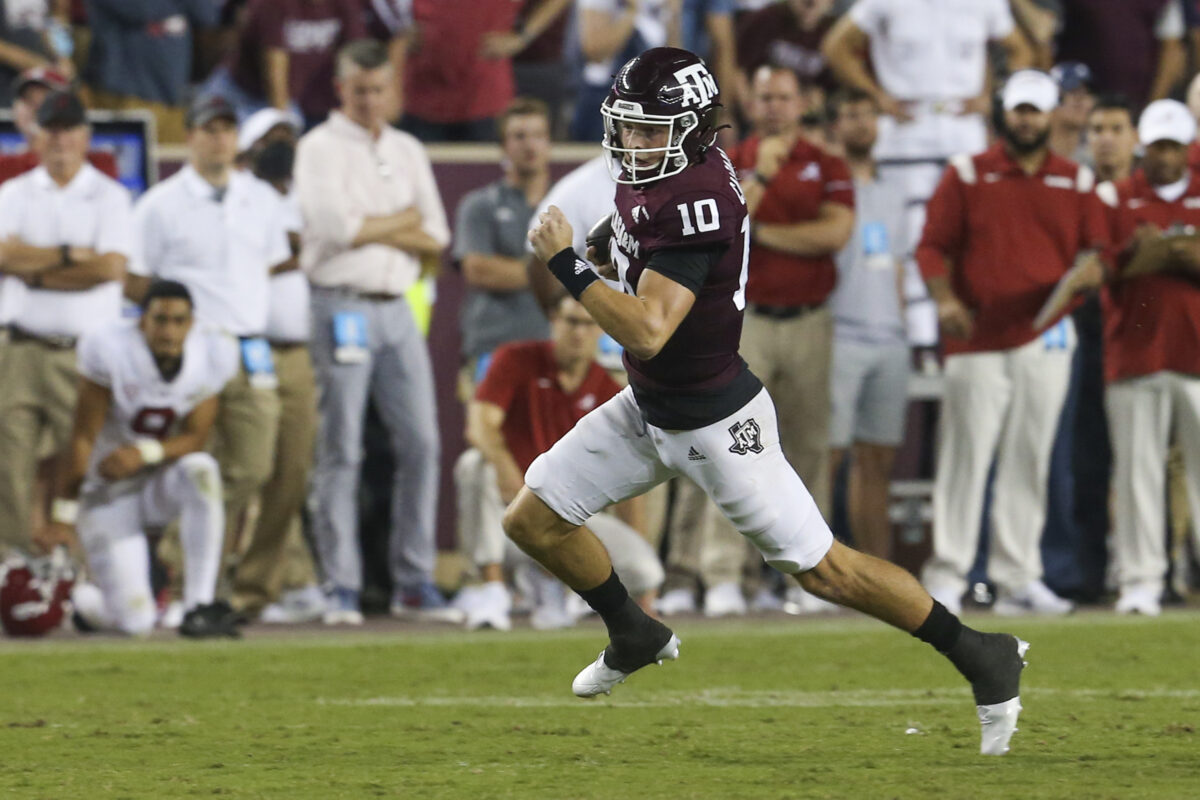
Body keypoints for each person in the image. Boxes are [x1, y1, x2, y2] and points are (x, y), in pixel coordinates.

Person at [516, 46, 1030, 757]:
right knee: (534, 519)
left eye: (648, 129)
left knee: (826, 569)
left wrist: (569, 263)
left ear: (693, 128)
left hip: (716, 420)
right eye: (625, 126)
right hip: (650, 406)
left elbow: (650, 329)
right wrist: (613, 247)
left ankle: (981, 653)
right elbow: (646, 249)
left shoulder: (695, 195)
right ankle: (633, 630)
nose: (632, 143)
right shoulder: (663, 171)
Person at [916, 70, 1109, 617]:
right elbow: (931, 248)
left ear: (1051, 116)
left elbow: (1098, 249)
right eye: (1019, 109)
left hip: (1046, 337)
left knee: (1031, 457)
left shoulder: (1077, 180)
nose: (1027, 119)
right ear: (1005, 111)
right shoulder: (968, 173)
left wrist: (1094, 270)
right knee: (964, 459)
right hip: (976, 338)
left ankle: (1018, 575)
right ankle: (949, 574)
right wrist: (945, 300)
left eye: (1036, 110)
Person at [295, 39, 454, 625]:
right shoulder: (317, 148)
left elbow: (436, 235)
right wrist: (402, 222)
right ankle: (339, 584)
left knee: (422, 445)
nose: (369, 100)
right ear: (341, 89)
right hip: (341, 305)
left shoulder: (408, 147)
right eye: (359, 90)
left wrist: (375, 229)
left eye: (378, 89)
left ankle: (414, 581)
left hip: (397, 307)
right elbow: (336, 229)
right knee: (341, 448)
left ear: (392, 88)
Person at [128, 95, 293, 606]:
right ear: (191, 135)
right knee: (191, 461)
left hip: (248, 348)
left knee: (252, 465)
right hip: (192, 349)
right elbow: (136, 281)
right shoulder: (160, 202)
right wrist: (171, 334)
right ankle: (192, 587)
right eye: (209, 129)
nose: (219, 138)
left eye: (227, 130)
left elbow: (263, 267)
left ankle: (182, 557)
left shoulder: (261, 199)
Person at [34, 281, 241, 637]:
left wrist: (145, 452)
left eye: (179, 321)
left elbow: (196, 438)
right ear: (141, 320)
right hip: (108, 489)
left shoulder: (214, 348)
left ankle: (199, 606)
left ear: (192, 323)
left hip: (156, 482)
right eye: (160, 320)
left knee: (202, 470)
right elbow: (83, 437)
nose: (169, 331)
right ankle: (86, 603)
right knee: (137, 622)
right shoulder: (109, 346)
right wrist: (63, 516)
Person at [822, 0, 1030, 348]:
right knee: (908, 241)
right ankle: (914, 343)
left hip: (963, 130)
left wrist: (994, 97)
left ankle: (962, 338)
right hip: (905, 132)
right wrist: (878, 97)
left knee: (970, 237)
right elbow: (836, 45)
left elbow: (1020, 48)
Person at [455, 294, 664, 631]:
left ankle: (553, 586)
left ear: (600, 331)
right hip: (508, 520)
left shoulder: (608, 390)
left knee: (646, 572)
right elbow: (479, 427)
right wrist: (509, 473)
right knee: (475, 464)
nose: (579, 333)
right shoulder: (515, 359)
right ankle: (492, 589)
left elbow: (631, 480)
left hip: (568, 522)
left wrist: (641, 556)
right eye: (571, 322)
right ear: (553, 320)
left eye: (589, 324)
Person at [0, 90, 132, 552]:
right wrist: (65, 255)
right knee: (8, 464)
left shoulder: (110, 196)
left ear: (86, 136)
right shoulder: (13, 193)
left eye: (69, 129)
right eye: (52, 129)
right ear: (38, 136)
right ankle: (10, 571)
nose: (60, 139)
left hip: (85, 353)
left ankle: (86, 571)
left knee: (84, 464)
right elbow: (1, 255)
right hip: (19, 348)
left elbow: (110, 269)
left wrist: (32, 272)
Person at [730, 63, 854, 523]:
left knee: (807, 445)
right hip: (747, 323)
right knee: (734, 444)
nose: (775, 108)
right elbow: (728, 232)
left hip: (809, 321)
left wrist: (761, 234)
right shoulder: (728, 160)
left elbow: (834, 234)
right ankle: (726, 571)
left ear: (803, 104)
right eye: (765, 98)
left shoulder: (827, 164)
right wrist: (760, 176)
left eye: (784, 98)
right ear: (750, 104)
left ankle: (811, 567)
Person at [1100, 99, 1200, 617]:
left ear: (1188, 149)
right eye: (1156, 146)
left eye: (1173, 146)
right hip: (1136, 352)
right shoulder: (1116, 197)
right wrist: (1144, 254)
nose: (1163, 156)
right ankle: (1140, 580)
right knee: (1137, 475)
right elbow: (1098, 267)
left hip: (1195, 353)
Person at [227, 107, 324, 619]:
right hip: (250, 347)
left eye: (289, 135)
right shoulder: (238, 194)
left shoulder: (305, 193)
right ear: (249, 147)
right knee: (244, 468)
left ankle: (253, 591)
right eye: (271, 137)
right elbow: (239, 260)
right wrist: (300, 251)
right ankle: (192, 577)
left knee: (292, 471)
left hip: (298, 351)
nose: (283, 145)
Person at [826, 88, 910, 562]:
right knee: (828, 458)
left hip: (889, 337)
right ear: (836, 125)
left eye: (867, 114)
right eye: (850, 113)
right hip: (840, 331)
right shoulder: (828, 187)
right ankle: (812, 571)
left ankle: (880, 573)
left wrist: (905, 330)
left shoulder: (895, 195)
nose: (860, 123)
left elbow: (897, 268)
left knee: (877, 460)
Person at [453, 97, 553, 392]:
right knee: (485, 436)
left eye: (538, 135)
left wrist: (516, 270)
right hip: (491, 345)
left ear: (549, 143)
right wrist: (560, 271)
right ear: (503, 146)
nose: (529, 145)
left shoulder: (567, 204)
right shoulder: (479, 204)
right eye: (519, 136)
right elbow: (479, 270)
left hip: (554, 348)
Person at [402, 0, 567, 142]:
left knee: (486, 174)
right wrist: (399, 32)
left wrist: (521, 38)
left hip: (484, 98)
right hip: (422, 95)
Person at [83, 0, 222, 143]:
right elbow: (140, 9)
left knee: (171, 161)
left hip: (172, 96)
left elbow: (206, 14)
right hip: (124, 93)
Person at [0, 67, 119, 185]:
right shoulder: (5, 167)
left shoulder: (99, 164)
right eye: (28, 99)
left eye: (47, 99)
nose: (36, 108)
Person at [1048, 62, 1094, 162]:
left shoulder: (1096, 152)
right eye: (1074, 93)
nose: (1082, 102)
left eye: (1087, 94)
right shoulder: (1034, 148)